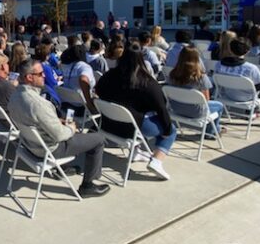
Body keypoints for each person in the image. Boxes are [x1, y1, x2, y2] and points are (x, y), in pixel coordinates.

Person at [8, 60, 110, 197]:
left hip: (29, 145)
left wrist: (57, 121)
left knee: (77, 131)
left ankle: (62, 169)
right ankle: (88, 186)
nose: (44, 75)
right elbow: (60, 136)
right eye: (40, 73)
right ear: (29, 77)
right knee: (99, 139)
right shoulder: (38, 103)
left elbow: (35, 119)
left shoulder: (14, 96)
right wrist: (72, 128)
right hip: (50, 149)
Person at [96, 48, 176, 180]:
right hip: (130, 129)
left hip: (108, 124)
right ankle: (156, 161)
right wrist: (167, 130)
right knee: (171, 129)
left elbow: (99, 90)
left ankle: (136, 152)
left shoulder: (109, 75)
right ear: (141, 60)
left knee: (136, 115)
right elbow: (161, 108)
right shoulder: (147, 82)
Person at [216, 38, 260, 126]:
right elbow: (259, 86)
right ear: (247, 51)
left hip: (228, 95)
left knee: (252, 88)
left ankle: (251, 114)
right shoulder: (251, 68)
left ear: (230, 49)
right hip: (247, 98)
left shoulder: (219, 64)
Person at [167, 46, 224, 137]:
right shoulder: (201, 77)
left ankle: (215, 129)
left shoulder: (172, 74)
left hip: (176, 109)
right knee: (219, 106)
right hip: (196, 113)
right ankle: (212, 132)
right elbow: (206, 100)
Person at [60, 44, 97, 114]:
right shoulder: (84, 67)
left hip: (66, 107)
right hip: (81, 108)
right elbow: (83, 80)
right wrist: (89, 104)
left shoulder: (65, 66)